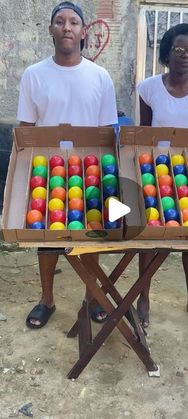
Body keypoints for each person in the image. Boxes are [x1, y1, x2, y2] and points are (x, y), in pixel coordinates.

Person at [17, 1, 118, 328]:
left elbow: (106, 133)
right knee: (46, 236)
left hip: (90, 168)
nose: (66, 27)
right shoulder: (33, 75)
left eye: (73, 22)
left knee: (92, 233)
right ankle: (46, 300)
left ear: (83, 31)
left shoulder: (100, 76)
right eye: (59, 21)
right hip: (47, 169)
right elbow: (26, 130)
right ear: (50, 30)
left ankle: (92, 299)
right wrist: (22, 174)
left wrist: (108, 178)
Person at [136, 23, 188, 329]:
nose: (186, 56)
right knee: (149, 238)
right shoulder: (148, 88)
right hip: (154, 172)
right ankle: (142, 297)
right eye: (179, 50)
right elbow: (143, 136)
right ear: (166, 54)